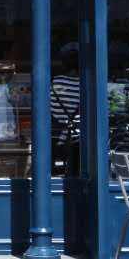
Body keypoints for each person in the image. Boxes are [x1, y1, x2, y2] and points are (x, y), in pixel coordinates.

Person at [49, 42, 81, 174]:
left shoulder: (55, 82)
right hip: (78, 138)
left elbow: (48, 107)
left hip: (56, 135)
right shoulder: (87, 84)